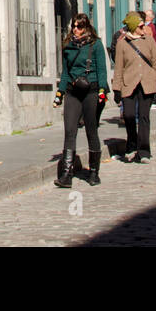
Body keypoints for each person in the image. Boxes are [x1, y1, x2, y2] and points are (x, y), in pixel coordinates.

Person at [54, 14, 108, 187]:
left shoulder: (96, 44)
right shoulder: (68, 46)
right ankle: (66, 174)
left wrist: (102, 91)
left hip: (91, 91)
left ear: (86, 27)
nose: (76, 30)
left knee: (91, 130)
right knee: (70, 130)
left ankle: (93, 172)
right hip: (72, 92)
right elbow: (65, 72)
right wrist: (60, 93)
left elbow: (101, 69)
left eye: (79, 27)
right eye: (74, 26)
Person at [111, 11, 156, 162]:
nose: (143, 28)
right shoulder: (122, 43)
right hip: (129, 83)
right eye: (141, 26)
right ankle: (131, 144)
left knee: (144, 117)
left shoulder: (149, 41)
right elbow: (119, 67)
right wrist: (117, 88)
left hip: (147, 83)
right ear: (134, 27)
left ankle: (144, 151)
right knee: (128, 115)